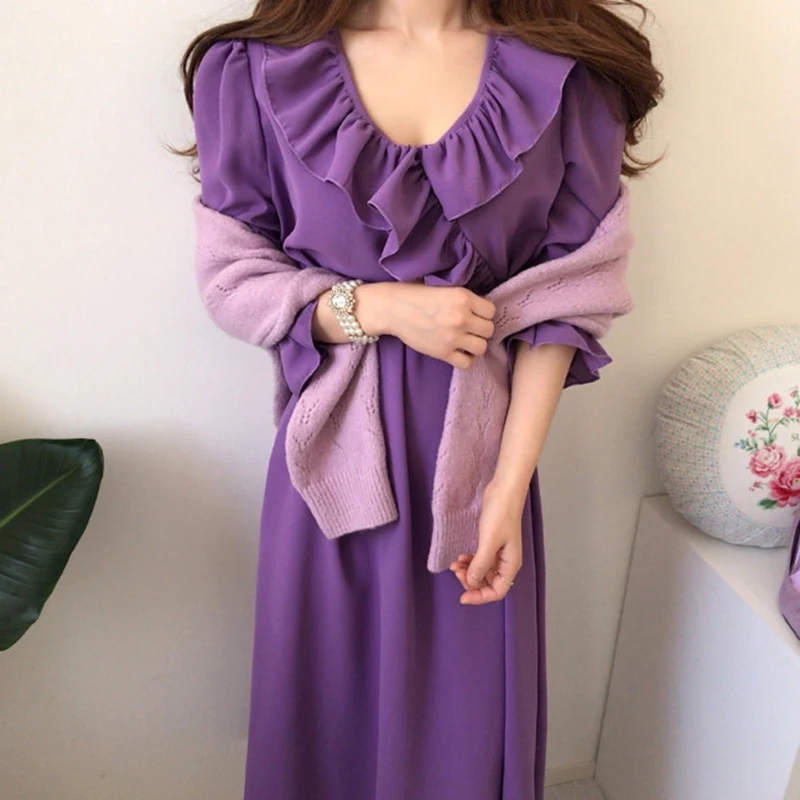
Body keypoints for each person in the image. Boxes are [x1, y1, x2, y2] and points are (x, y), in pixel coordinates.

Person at [174, 1, 662, 797]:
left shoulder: (570, 72)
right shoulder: (254, 69)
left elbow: (567, 297)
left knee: (461, 739)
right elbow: (233, 280)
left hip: (480, 471)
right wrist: (376, 307)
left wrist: (506, 489)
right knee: (325, 730)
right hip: (329, 471)